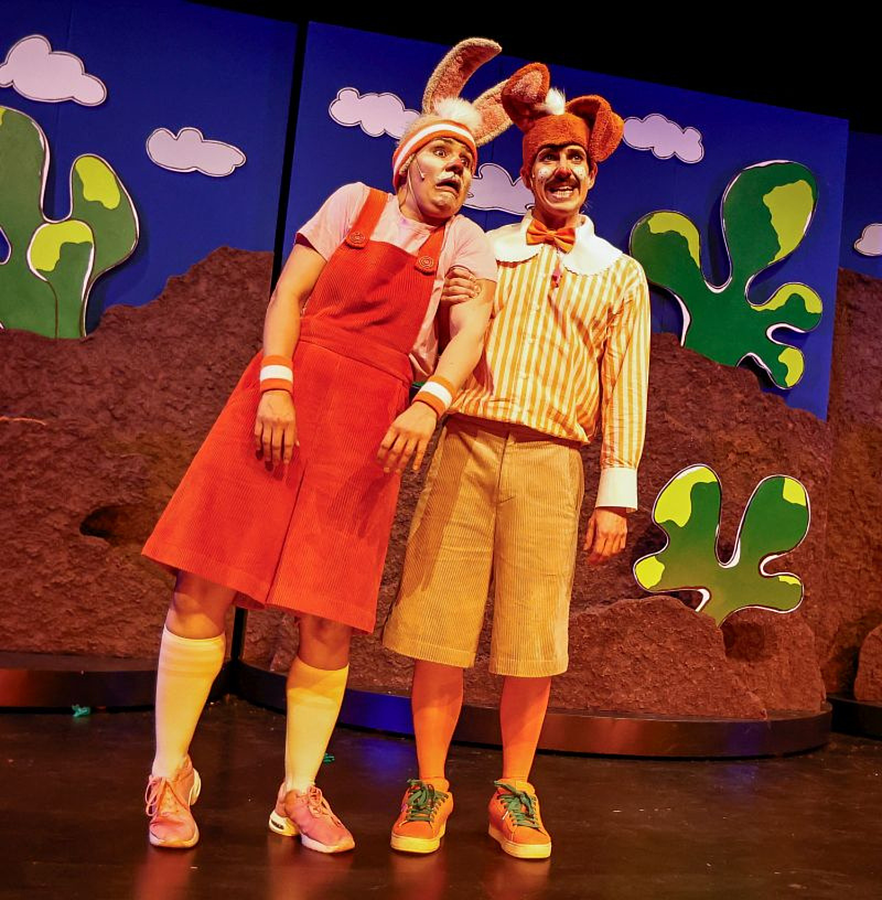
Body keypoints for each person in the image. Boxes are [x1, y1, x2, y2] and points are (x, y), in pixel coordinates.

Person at [141, 38, 511, 854]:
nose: (456, 168)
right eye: (443, 153)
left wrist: (430, 404)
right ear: (409, 162)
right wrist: (275, 384)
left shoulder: (467, 246)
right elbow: (290, 294)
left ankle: (299, 790)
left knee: (328, 616)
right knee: (206, 583)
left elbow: (469, 333)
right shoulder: (353, 205)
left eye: (468, 162)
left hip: (368, 427)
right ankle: (169, 773)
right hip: (285, 398)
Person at [383, 62, 651, 860]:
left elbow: (625, 387)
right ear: (527, 172)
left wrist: (616, 495)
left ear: (592, 174)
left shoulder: (619, 274)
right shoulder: (484, 248)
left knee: (533, 634)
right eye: (548, 158)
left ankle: (515, 790)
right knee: (439, 624)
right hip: (465, 444)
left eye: (575, 159)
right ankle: (430, 784)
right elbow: (431, 341)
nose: (562, 170)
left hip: (551, 463)